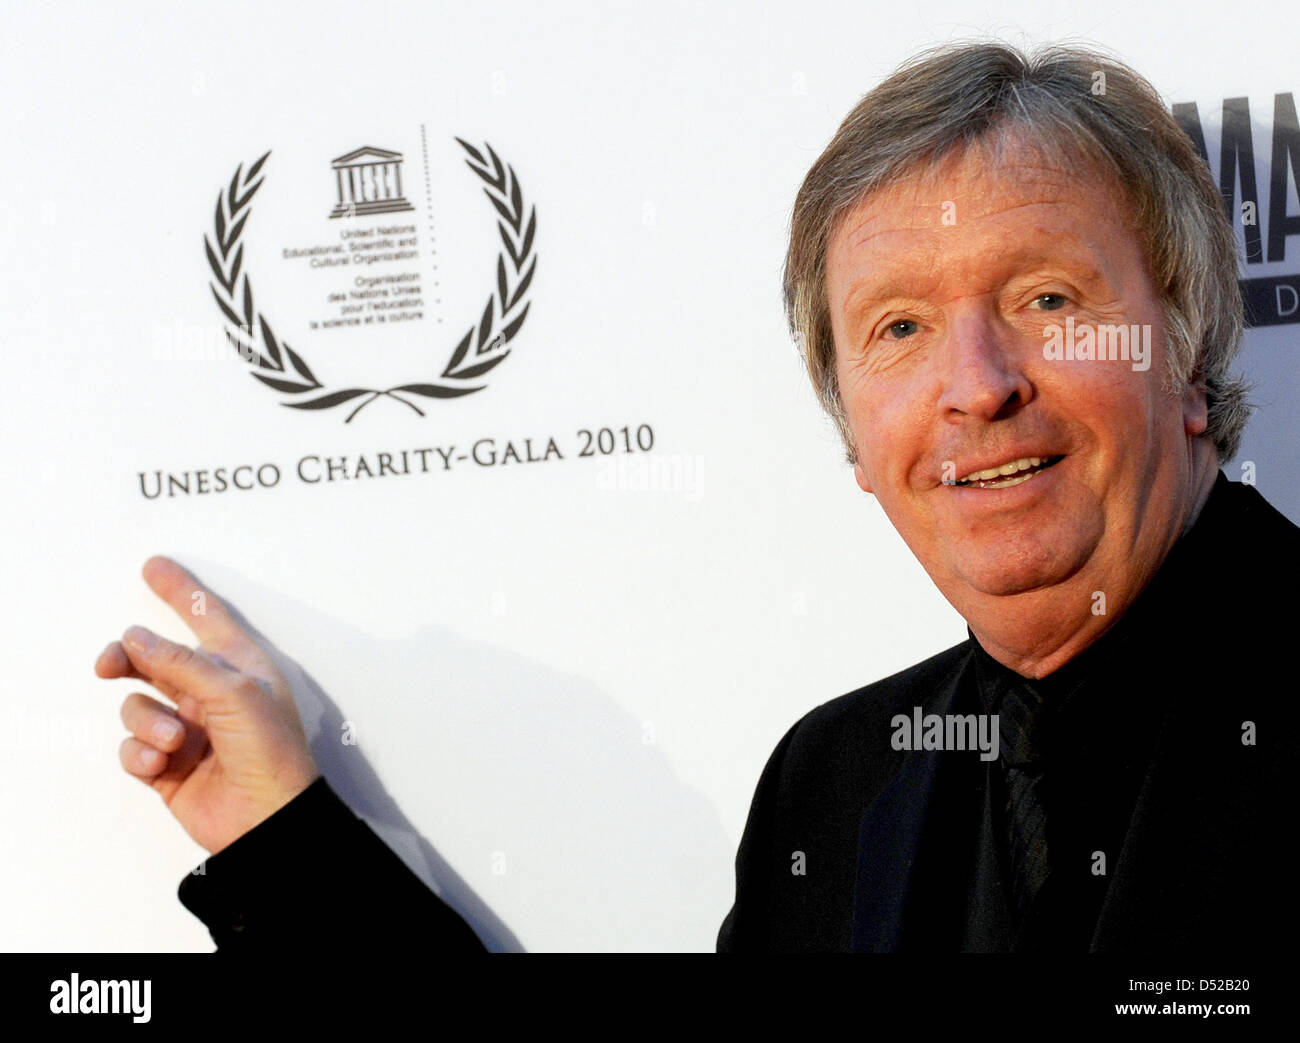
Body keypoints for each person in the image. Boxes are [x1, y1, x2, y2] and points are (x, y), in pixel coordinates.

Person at [97, 40, 1299, 953]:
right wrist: (286, 848)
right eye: (899, 327)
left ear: (1187, 355)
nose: (974, 387)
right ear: (851, 432)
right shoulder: (838, 779)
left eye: (1046, 299)